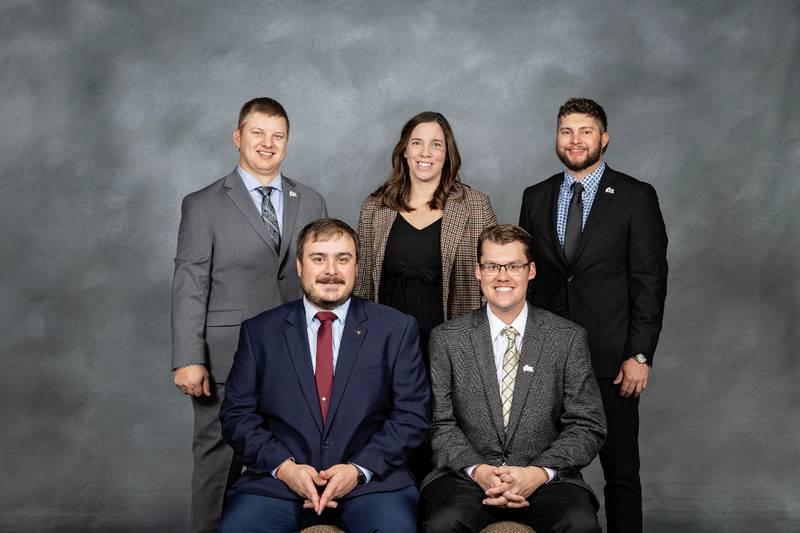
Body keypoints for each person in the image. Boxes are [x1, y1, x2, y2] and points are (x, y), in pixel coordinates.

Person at [171, 97, 327, 532]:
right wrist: (188, 356)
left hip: (300, 356)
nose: (267, 143)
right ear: (238, 137)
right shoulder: (202, 204)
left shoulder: (310, 200)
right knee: (218, 464)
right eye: (258, 133)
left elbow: (324, 277)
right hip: (226, 358)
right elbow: (189, 282)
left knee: (295, 459)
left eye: (278, 136)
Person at [218, 218, 429, 533]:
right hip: (279, 484)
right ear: (300, 266)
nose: (331, 270)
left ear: (357, 266)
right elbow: (237, 415)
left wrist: (358, 470)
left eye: (342, 259)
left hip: (371, 484)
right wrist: (285, 468)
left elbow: (412, 416)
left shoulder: (396, 329)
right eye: (319, 259)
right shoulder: (260, 331)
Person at [518, 98, 668, 533]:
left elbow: (649, 280)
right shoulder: (537, 196)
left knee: (621, 475)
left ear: (604, 138)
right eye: (566, 131)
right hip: (545, 360)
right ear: (557, 138)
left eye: (585, 131)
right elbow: (533, 276)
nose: (575, 140)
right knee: (544, 471)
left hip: (612, 361)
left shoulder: (636, 196)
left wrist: (640, 355)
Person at [421, 224, 606, 533]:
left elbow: (587, 424)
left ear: (530, 271)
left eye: (514, 266)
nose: (502, 276)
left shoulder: (567, 338)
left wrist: (536, 473)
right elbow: (439, 423)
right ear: (478, 271)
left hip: (548, 479)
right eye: (492, 266)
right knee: (443, 522)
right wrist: (479, 471)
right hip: (466, 478)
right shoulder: (446, 339)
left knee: (580, 523)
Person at [355, 111, 496, 482]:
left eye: (437, 144)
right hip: (387, 346)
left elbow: (492, 282)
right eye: (417, 142)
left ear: (448, 153)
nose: (426, 152)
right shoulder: (375, 206)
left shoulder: (474, 205)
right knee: (393, 433)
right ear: (404, 150)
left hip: (449, 342)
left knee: (443, 434)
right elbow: (360, 285)